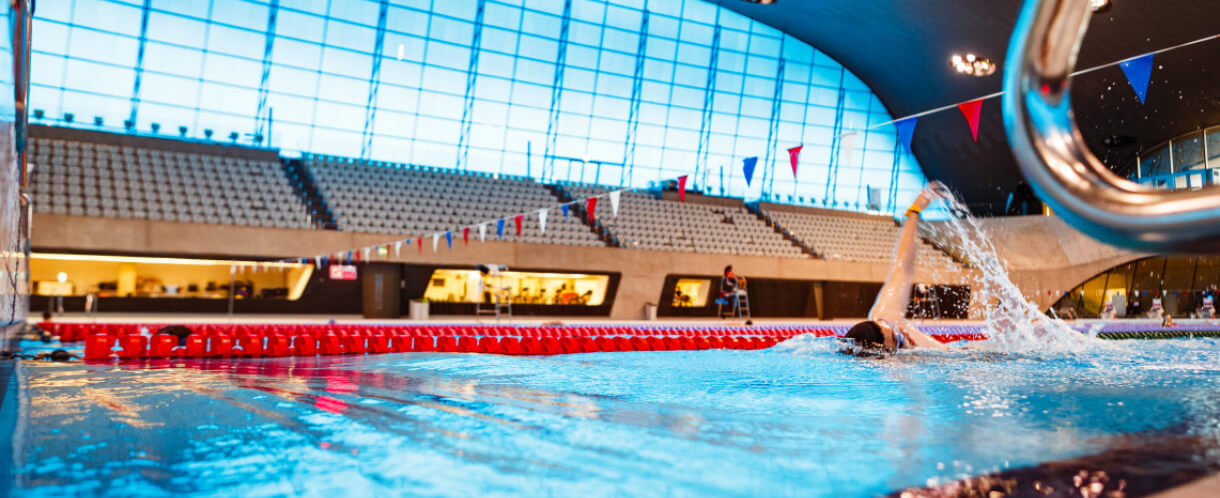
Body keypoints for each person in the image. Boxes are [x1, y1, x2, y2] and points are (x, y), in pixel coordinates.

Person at [844, 183, 950, 353]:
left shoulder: (884, 316)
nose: (901, 331)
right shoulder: (897, 368)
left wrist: (914, 211)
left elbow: (902, 268)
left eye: (892, 328)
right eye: (896, 339)